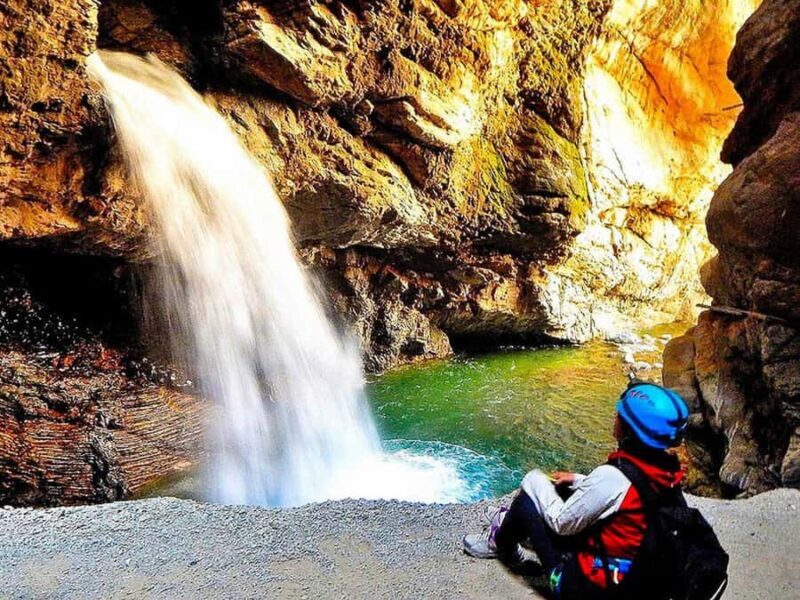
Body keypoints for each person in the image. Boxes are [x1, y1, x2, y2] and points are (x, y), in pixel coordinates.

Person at [463, 382, 691, 599]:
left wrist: (534, 479)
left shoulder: (612, 477)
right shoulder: (667, 471)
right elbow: (628, 492)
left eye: (620, 415)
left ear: (631, 430)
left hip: (588, 590)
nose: (614, 417)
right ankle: (510, 525)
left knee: (528, 499)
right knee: (563, 489)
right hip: (643, 584)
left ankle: (502, 543)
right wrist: (578, 480)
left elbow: (563, 523)